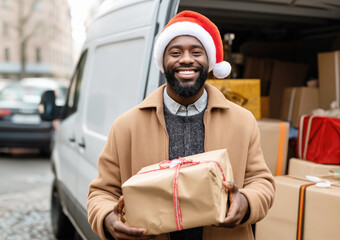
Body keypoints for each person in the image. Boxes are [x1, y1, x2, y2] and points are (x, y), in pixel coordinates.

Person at [87, 10, 275, 240]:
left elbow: (261, 182)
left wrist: (245, 203)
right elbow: (101, 192)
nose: (186, 59)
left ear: (210, 62)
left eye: (197, 52)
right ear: (163, 62)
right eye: (175, 52)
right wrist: (108, 219)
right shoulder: (126, 126)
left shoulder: (243, 122)